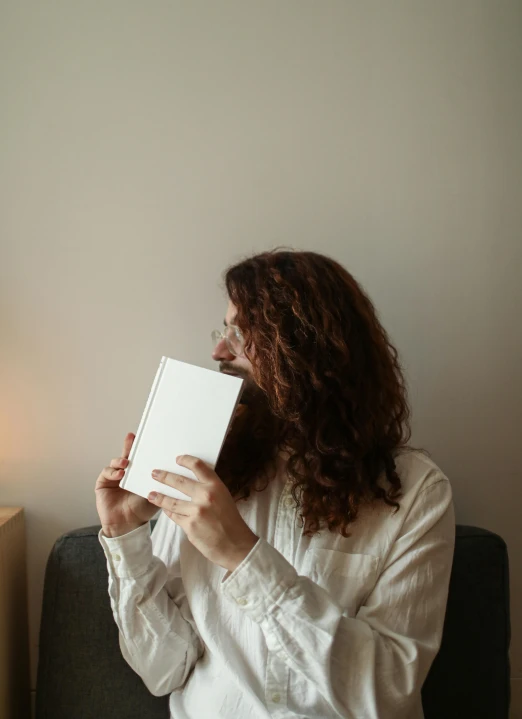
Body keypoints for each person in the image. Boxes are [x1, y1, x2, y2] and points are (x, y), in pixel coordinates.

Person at [95, 249, 455, 719]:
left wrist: (243, 556)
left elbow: (385, 694)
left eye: (241, 333)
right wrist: (124, 536)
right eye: (224, 330)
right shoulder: (205, 468)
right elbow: (163, 670)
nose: (219, 351)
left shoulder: (415, 492)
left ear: (307, 348)